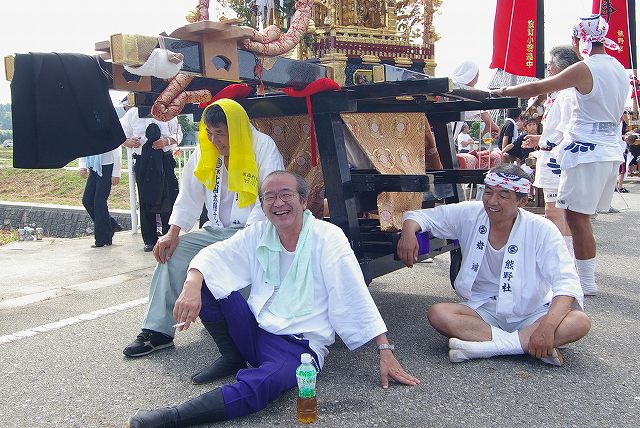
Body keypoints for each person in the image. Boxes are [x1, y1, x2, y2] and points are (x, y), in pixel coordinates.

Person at [126, 171, 420, 427]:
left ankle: (173, 417)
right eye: (269, 197)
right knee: (205, 278)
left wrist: (385, 349)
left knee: (263, 386)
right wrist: (191, 284)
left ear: (304, 201)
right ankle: (232, 356)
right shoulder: (260, 232)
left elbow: (354, 292)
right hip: (256, 329)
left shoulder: (328, 238)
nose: (278, 203)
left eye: (286, 194)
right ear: (263, 206)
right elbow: (216, 256)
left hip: (298, 346)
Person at [123, 99, 284, 358]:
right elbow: (189, 193)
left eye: (220, 133)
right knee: (171, 254)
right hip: (216, 231)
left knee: (239, 263)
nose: (214, 140)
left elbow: (270, 198)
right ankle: (157, 331)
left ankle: (244, 331)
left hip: (254, 232)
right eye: (209, 133)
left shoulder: (263, 147)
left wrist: (242, 240)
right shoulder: (205, 149)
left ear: (237, 129)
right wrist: (172, 232)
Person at [398, 163, 590, 366]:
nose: (492, 201)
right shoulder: (470, 213)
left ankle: (485, 348)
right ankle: (526, 344)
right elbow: (419, 216)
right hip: (484, 309)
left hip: (531, 311)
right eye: (488, 192)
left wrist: (548, 326)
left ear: (522, 201)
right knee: (439, 314)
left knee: (579, 322)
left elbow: (566, 283)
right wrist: (408, 232)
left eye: (503, 196)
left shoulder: (542, 229)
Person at [491, 14, 628, 296]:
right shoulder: (617, 66)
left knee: (575, 217)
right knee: (578, 217)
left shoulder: (586, 68)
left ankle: (584, 282)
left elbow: (539, 87)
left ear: (579, 40)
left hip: (585, 150)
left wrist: (500, 91)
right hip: (608, 149)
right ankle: (580, 277)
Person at [121, 104, 182, 252]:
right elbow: (120, 135)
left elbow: (178, 134)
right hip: (143, 160)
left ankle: (169, 234)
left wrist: (166, 141)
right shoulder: (132, 114)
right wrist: (127, 142)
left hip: (164, 159)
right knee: (145, 197)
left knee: (169, 195)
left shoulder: (166, 111)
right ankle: (149, 239)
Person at [78, 146, 123, 247]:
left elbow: (117, 149)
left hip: (107, 166)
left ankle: (103, 238)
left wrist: (116, 173)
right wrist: (82, 165)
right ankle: (111, 225)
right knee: (87, 201)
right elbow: (83, 143)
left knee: (99, 203)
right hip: (93, 166)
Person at [450, 61, 500, 140]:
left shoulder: (451, 89)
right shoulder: (467, 94)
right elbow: (490, 124)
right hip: (444, 143)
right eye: (477, 75)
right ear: (472, 76)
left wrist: (490, 125)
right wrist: (491, 125)